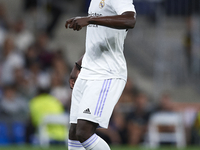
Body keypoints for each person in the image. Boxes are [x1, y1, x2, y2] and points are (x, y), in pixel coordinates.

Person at [65, 0, 136, 149]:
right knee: (74, 132)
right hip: (87, 71)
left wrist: (89, 19)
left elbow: (130, 20)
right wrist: (79, 64)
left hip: (106, 73)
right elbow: (97, 39)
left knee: (84, 132)